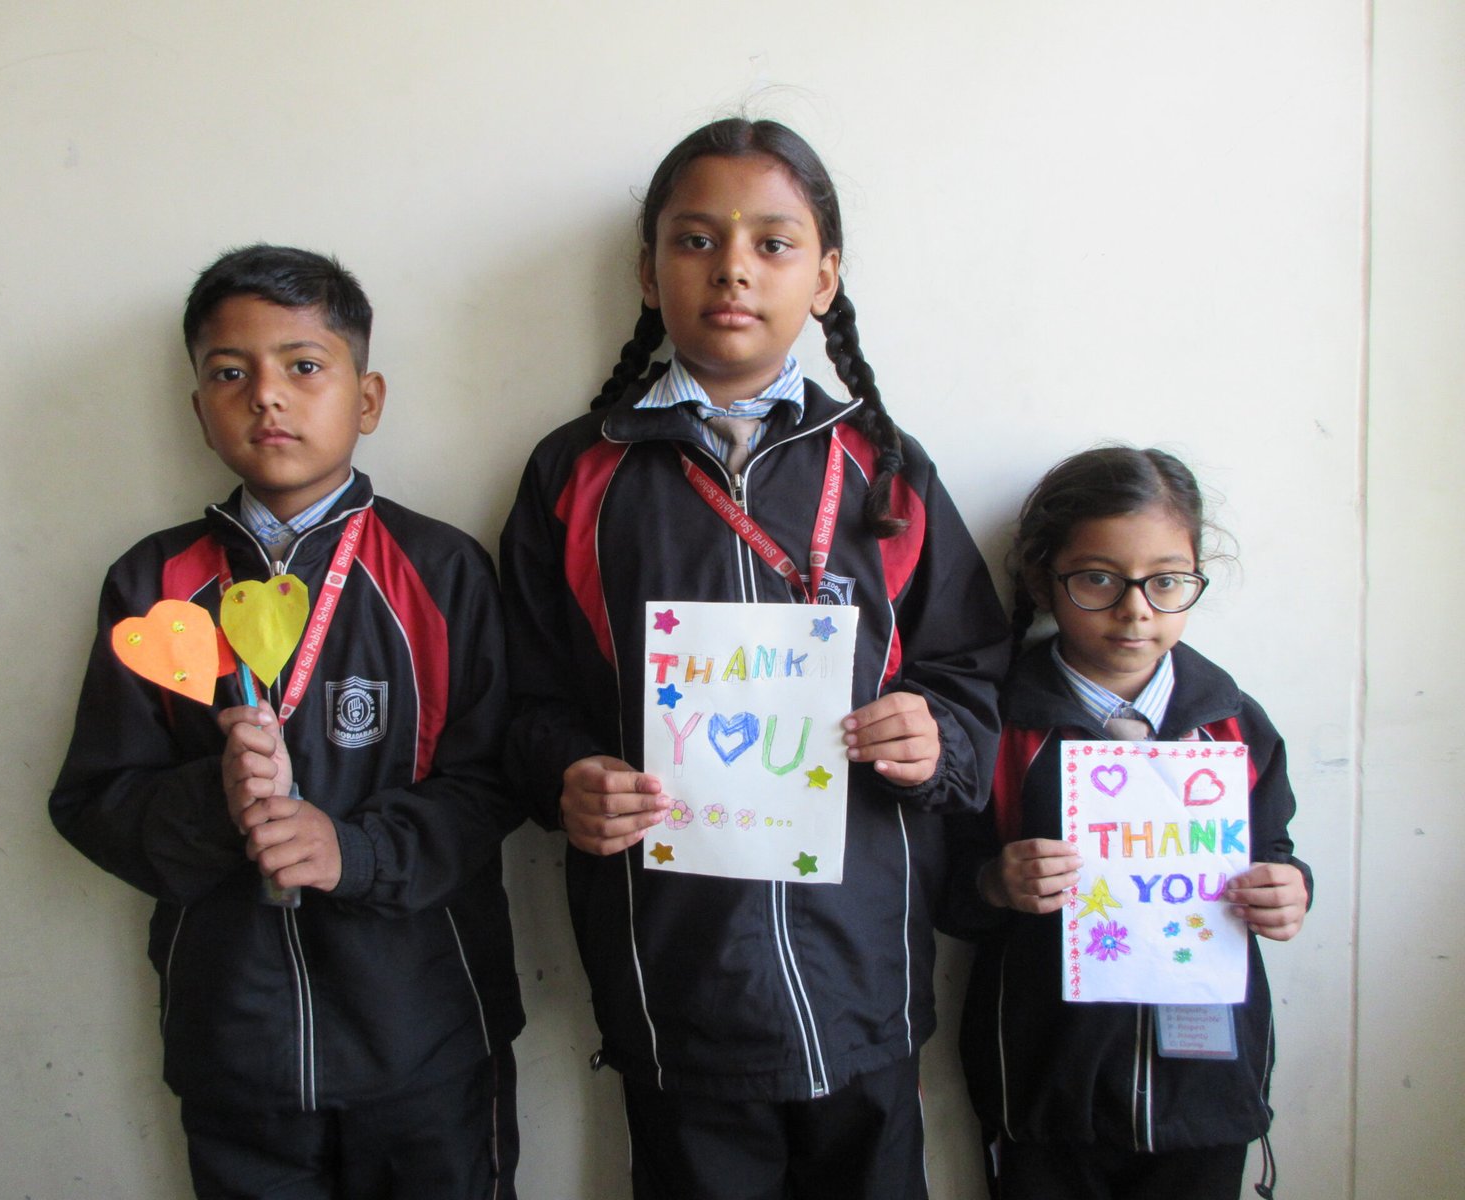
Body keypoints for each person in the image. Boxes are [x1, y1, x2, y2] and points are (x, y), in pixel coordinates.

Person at [498, 118, 1009, 1199]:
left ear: (824, 278)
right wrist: (565, 776)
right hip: (675, 973)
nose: (732, 268)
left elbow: (971, 669)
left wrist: (937, 739)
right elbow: (523, 697)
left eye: (773, 243)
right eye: (695, 240)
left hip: (862, 970)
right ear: (648, 274)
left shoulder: (885, 468)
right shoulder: (577, 474)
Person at [50, 245, 523, 1199]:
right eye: (230, 373)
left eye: (304, 366)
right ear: (198, 408)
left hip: (427, 1037)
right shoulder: (153, 584)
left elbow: (495, 782)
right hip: (235, 1047)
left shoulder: (441, 571)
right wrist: (212, 802)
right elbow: (93, 801)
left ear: (368, 399)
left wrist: (355, 851)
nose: (266, 395)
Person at [942, 447, 1311, 1200]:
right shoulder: (999, 728)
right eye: (1098, 579)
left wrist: (1290, 888)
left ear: (1196, 576)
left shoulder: (1235, 726)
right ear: (1044, 578)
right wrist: (995, 883)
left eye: (1166, 581)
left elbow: (1273, 850)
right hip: (1049, 1092)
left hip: (1205, 1095)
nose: (1135, 608)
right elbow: (940, 889)